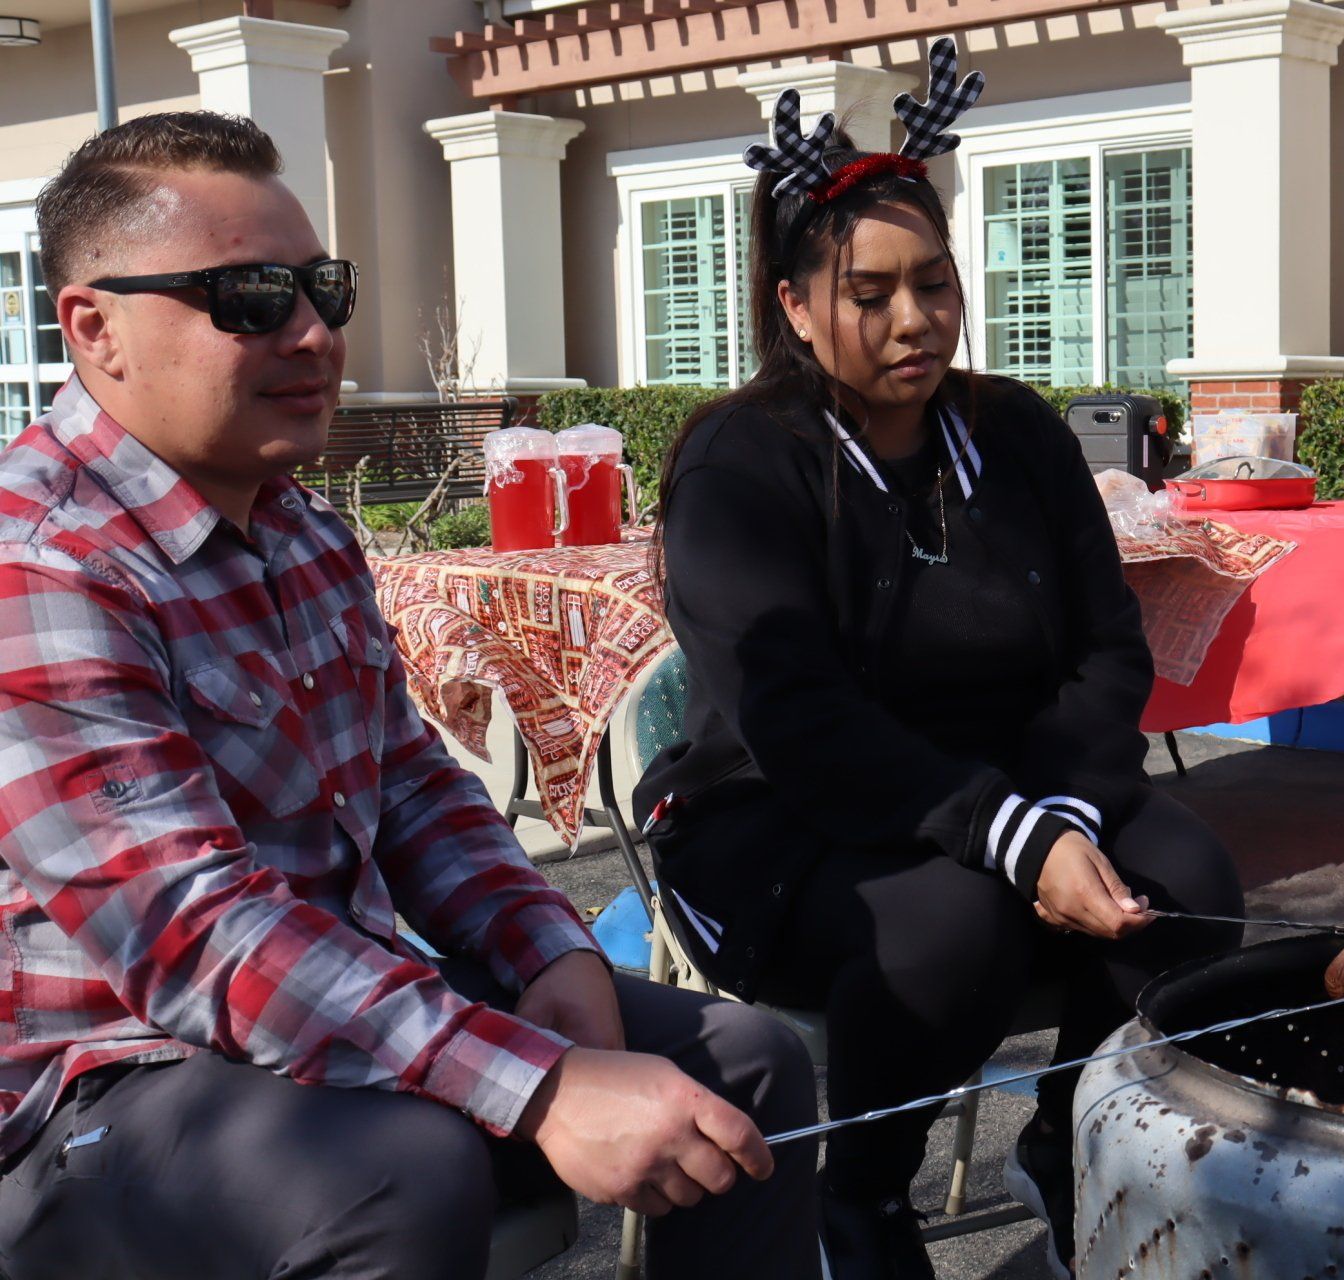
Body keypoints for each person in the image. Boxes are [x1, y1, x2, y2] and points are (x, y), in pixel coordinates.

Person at [0, 111, 819, 1280]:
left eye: (323, 288)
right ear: (95, 328)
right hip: (106, 1082)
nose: (314, 332)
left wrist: (549, 954)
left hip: (322, 1011)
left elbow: (411, 782)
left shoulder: (296, 527)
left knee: (743, 1064)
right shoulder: (43, 562)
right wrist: (539, 1084)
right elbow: (190, 932)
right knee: (404, 1169)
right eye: (251, 297)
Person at [635, 42, 1244, 1280]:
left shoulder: (1014, 432)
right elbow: (799, 718)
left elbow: (1104, 650)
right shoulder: (739, 466)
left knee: (1188, 878)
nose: (914, 319)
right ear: (796, 304)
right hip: (784, 821)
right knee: (958, 921)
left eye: (935, 283)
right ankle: (859, 1194)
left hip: (1005, 787)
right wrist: (1016, 839)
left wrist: (1058, 809)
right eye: (870, 292)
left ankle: (1072, 1138)